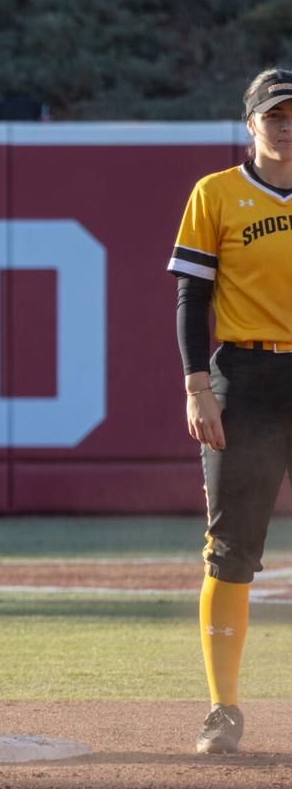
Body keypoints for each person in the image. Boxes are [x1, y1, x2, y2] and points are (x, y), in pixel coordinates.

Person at [168, 67, 292, 756]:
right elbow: (192, 297)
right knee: (231, 549)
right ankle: (223, 709)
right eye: (275, 115)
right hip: (245, 377)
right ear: (250, 123)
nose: (287, 126)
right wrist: (197, 387)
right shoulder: (216, 193)